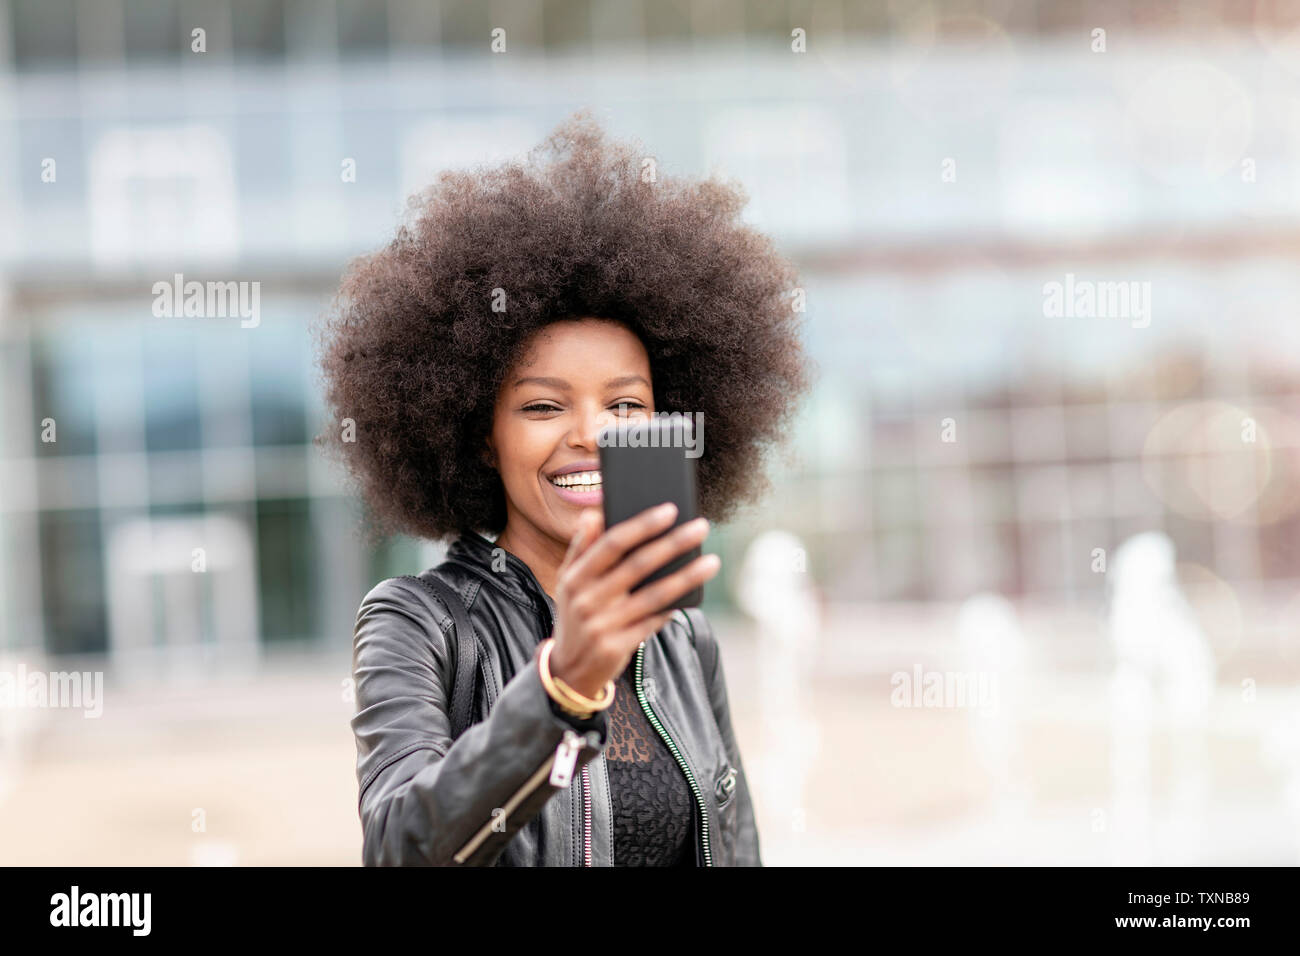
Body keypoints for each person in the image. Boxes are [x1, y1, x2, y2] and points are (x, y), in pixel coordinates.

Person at [316, 109, 811, 866]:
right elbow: (401, 847)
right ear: (481, 434)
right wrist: (563, 686)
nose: (590, 434)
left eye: (625, 406)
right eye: (544, 406)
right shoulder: (420, 623)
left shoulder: (684, 640)